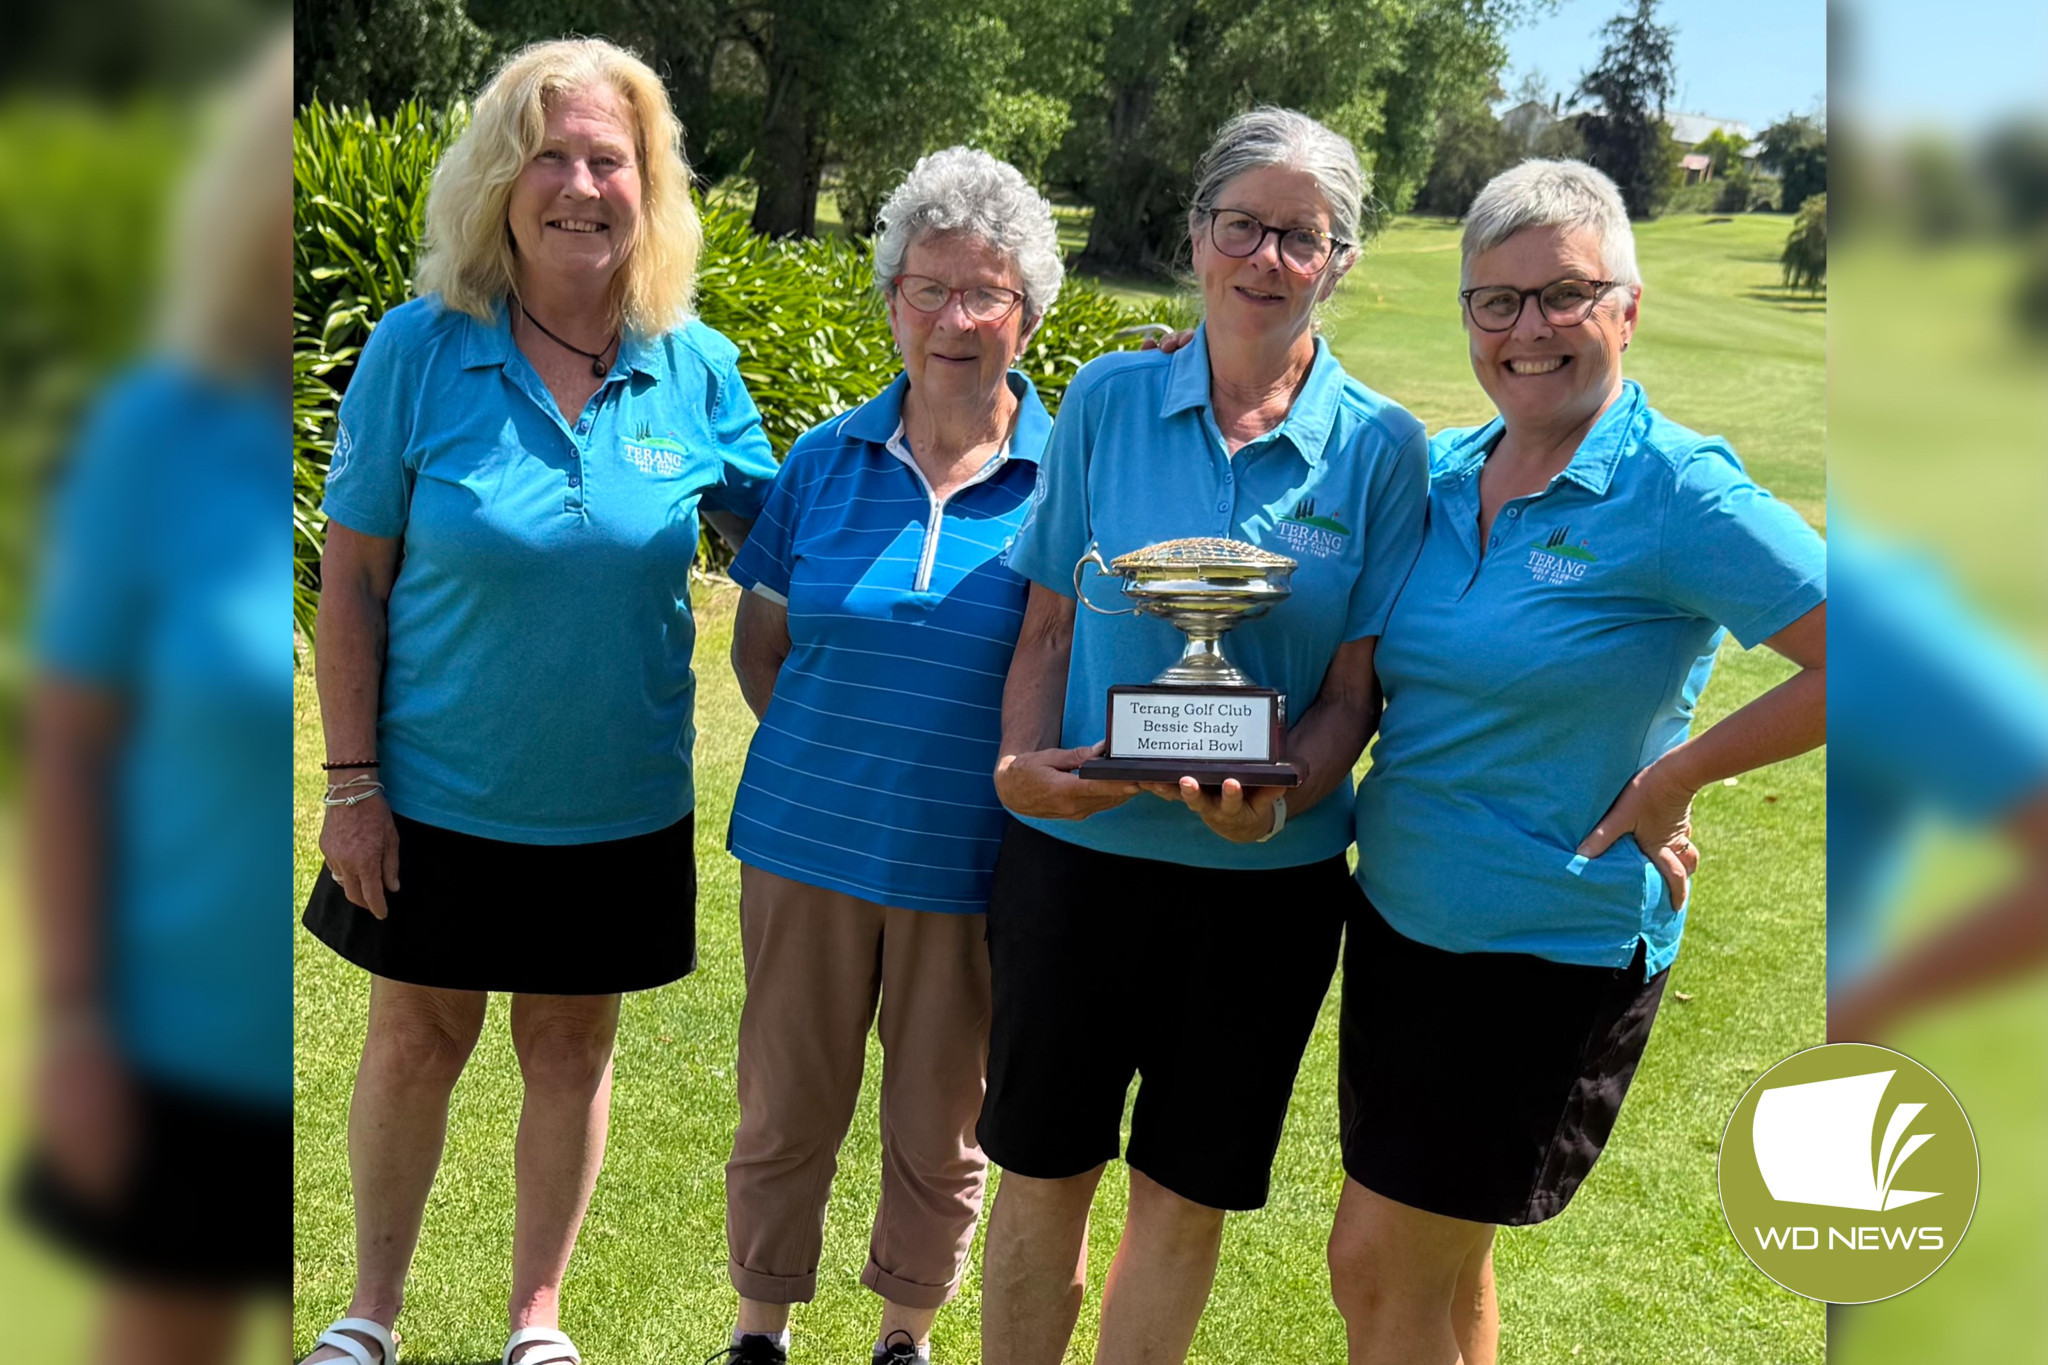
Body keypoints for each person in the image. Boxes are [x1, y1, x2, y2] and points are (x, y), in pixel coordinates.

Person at [298, 39, 776, 1365]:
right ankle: (368, 1312)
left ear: (648, 184)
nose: (580, 184)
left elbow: (786, 538)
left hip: (616, 801)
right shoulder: (419, 351)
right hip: (437, 791)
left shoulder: (696, 367)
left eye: (607, 159)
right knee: (414, 1042)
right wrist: (351, 787)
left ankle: (538, 1322)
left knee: (572, 1053)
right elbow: (352, 588)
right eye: (550, 155)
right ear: (503, 179)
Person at [1332, 159, 1826, 1365]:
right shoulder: (1447, 472)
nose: (1526, 330)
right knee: (1438, 1265)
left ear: (1626, 307)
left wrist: (1673, 778)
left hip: (1544, 946)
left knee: (1379, 1266)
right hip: (1401, 921)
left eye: (1561, 294)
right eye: (1492, 302)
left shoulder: (1673, 491)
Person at [981, 108, 1428, 1365]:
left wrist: (1288, 793)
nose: (1267, 259)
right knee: (1039, 1177)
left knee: (1181, 1198)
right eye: (1244, 226)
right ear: (1197, 237)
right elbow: (1048, 630)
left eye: (1302, 235)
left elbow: (1354, 689)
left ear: (1338, 259)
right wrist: (1021, 771)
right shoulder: (1106, 399)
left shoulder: (1383, 447)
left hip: (1263, 892)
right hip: (1076, 865)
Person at [716, 147, 1062, 1365]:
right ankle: (759, 1327)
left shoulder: (1064, 479)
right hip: (804, 844)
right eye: (929, 289)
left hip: (967, 865)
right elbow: (762, 648)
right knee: (784, 1108)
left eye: (986, 294)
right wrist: (840, 749)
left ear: (1027, 312)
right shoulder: (823, 461)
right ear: (892, 301)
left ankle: (902, 1335)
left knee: (938, 1125)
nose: (955, 320)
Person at [17, 32, 291, 1365]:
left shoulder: (403, 395)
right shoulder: (154, 434)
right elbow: (68, 748)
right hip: (187, 1034)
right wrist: (75, 1021)